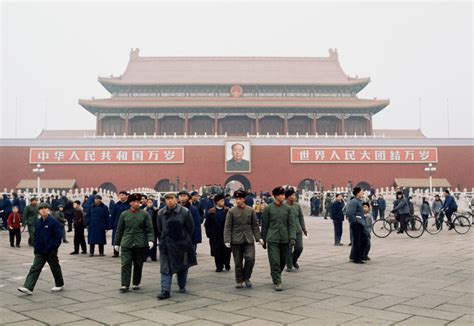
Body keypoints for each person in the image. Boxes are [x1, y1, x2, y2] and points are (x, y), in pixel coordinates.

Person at [156, 192, 197, 300]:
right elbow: (159, 228)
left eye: (172, 198)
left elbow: (190, 227)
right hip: (166, 243)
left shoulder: (184, 212)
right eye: (167, 199)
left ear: (176, 199)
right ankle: (165, 290)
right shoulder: (161, 213)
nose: (170, 201)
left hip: (181, 243)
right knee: (165, 267)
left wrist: (183, 237)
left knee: (182, 266)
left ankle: (182, 285)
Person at [18, 203, 64, 295]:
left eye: (45, 208)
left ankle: (59, 284)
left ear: (49, 210)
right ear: (39, 211)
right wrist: (36, 246)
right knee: (35, 268)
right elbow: (36, 235)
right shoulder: (38, 222)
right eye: (41, 208)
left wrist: (52, 247)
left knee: (55, 267)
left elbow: (58, 237)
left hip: (50, 250)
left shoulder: (53, 222)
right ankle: (28, 287)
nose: (43, 210)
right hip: (40, 250)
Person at [114, 193, 154, 292]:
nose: (136, 203)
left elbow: (149, 229)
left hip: (140, 243)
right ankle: (125, 284)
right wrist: (117, 243)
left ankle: (136, 282)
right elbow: (119, 230)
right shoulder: (124, 214)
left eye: (138, 202)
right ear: (130, 203)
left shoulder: (144, 214)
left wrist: (150, 240)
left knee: (138, 264)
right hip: (127, 243)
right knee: (125, 264)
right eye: (134, 202)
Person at [223, 190, 262, 288]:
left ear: (244, 199)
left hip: (248, 239)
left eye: (240, 199)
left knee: (250, 258)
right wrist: (227, 240)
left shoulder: (251, 210)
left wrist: (258, 238)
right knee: (238, 262)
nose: (238, 201)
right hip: (236, 240)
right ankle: (239, 280)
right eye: (236, 199)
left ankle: (247, 277)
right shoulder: (231, 211)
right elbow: (227, 227)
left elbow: (255, 226)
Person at [261, 186, 296, 291]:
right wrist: (263, 239)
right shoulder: (268, 209)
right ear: (276, 196)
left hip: (285, 238)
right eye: (281, 195)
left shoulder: (288, 209)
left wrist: (292, 237)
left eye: (283, 194)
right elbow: (265, 225)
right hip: (272, 238)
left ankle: (275, 273)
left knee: (283, 261)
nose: (283, 197)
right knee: (274, 260)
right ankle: (277, 281)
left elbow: (291, 224)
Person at [205, 193, 232, 272]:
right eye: (221, 200)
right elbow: (207, 224)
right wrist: (209, 234)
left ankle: (227, 263)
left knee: (227, 251)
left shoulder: (228, 211)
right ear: (216, 202)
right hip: (215, 235)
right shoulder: (211, 212)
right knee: (217, 252)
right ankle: (219, 266)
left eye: (223, 200)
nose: (223, 202)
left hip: (225, 234)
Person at [285, 188, 307, 272]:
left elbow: (301, 217)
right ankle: (289, 265)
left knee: (299, 248)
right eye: (293, 195)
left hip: (297, 230)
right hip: (287, 231)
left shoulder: (297, 205)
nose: (295, 196)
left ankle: (294, 261)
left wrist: (304, 229)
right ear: (288, 197)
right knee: (288, 249)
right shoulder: (283, 205)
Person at [346, 187, 368, 264]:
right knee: (357, 241)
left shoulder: (359, 201)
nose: (363, 193)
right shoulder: (354, 201)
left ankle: (359, 256)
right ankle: (356, 258)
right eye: (362, 192)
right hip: (356, 224)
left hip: (360, 223)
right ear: (357, 193)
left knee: (364, 240)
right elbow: (350, 213)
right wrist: (355, 221)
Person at [109, 191, 130, 257]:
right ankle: (115, 252)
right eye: (120, 195)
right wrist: (110, 225)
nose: (121, 196)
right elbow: (113, 216)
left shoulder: (129, 205)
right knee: (116, 238)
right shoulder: (116, 205)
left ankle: (126, 252)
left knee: (126, 239)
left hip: (127, 225)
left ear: (126, 196)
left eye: (123, 195)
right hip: (117, 224)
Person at [144, 198, 159, 262]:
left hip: (154, 229)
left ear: (153, 203)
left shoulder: (156, 210)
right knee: (145, 244)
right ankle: (144, 256)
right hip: (145, 229)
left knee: (154, 243)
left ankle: (153, 257)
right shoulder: (144, 210)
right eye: (148, 202)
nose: (149, 203)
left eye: (151, 202)